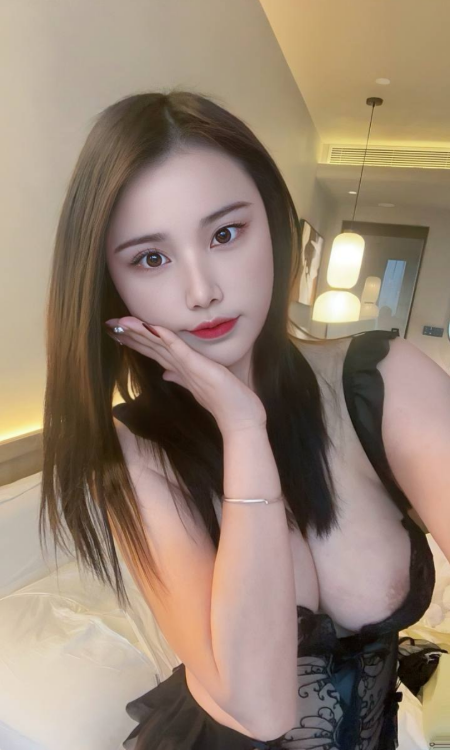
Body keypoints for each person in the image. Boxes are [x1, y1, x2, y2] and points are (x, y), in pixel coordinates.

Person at [39, 90, 449, 749]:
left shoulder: (382, 379)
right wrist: (243, 428)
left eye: (225, 233)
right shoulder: (131, 451)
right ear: (112, 285)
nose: (202, 291)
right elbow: (259, 711)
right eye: (151, 258)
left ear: (276, 226)